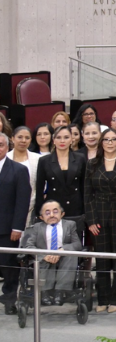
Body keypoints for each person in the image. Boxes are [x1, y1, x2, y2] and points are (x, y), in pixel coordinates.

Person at [85, 127, 116, 313]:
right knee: (102, 259)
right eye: (106, 139)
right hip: (98, 216)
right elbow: (87, 195)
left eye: (113, 139)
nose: (110, 143)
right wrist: (91, 220)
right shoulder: (91, 164)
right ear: (101, 143)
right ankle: (103, 298)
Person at [19, 199, 83, 306]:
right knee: (41, 259)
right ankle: (44, 292)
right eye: (47, 213)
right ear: (41, 217)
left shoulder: (70, 225)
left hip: (63, 258)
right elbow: (29, 246)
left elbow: (77, 244)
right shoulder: (37, 227)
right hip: (44, 259)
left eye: (55, 211)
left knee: (71, 255)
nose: (52, 215)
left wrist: (61, 250)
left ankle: (60, 291)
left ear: (62, 214)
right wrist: (44, 255)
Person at [0, 133, 32, 314]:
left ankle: (9, 300)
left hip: (7, 228)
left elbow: (22, 201)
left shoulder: (19, 170)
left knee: (9, 268)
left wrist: (17, 227)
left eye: (1, 145)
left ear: (7, 147)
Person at [34, 124, 87, 232]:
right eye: (58, 137)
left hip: (75, 207)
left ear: (71, 139)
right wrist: (39, 211)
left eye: (66, 137)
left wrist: (86, 210)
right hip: (53, 208)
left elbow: (84, 186)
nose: (62, 141)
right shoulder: (44, 161)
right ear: (53, 140)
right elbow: (39, 189)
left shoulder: (80, 159)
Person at [9, 126, 41, 226]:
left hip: (32, 207)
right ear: (12, 138)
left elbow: (41, 184)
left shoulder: (38, 159)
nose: (23, 140)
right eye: (20, 137)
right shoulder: (4, 158)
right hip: (7, 207)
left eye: (27, 138)